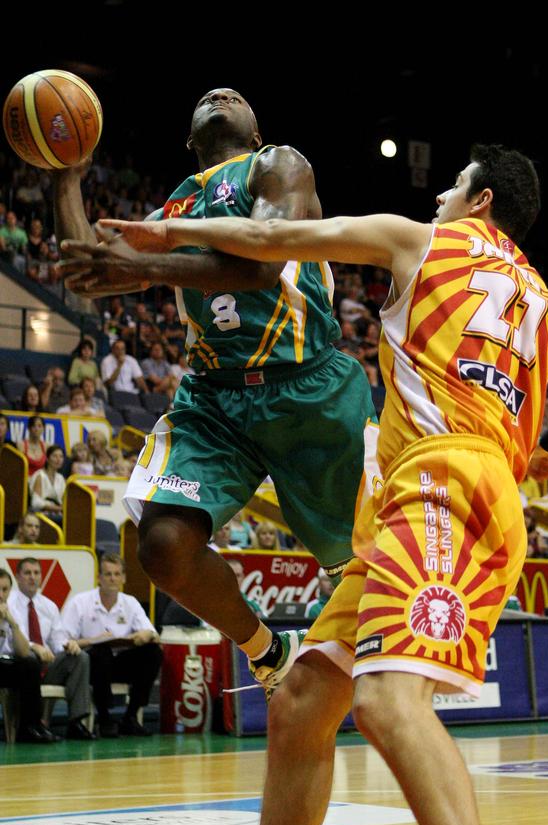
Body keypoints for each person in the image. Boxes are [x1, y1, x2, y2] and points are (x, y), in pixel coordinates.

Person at [93, 144, 548, 825]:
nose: (439, 195)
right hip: (452, 492)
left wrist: (168, 233)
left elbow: (269, 238)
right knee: (303, 703)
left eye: (453, 186)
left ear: (481, 202)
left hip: (439, 482)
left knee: (386, 702)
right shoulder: (547, 305)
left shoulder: (420, 239)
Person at [56, 87, 375, 696]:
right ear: (189, 141)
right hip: (215, 399)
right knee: (162, 547)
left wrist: (146, 263)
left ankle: (395, 672)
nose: (219, 93)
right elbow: (87, 276)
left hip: (310, 389)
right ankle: (268, 651)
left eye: (234, 96)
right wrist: (63, 178)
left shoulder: (278, 164)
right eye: (207, 96)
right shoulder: (175, 206)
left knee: (358, 561)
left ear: (255, 133)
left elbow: (259, 262)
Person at [61, 554, 162, 737]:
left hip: (120, 663)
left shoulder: (130, 603)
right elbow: (64, 640)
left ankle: (130, 716)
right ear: (99, 578)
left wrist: (145, 634)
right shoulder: (80, 602)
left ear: (123, 577)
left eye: (117, 574)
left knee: (153, 652)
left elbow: (152, 633)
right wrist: (93, 640)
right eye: (108, 574)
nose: (113, 578)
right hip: (90, 665)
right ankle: (105, 717)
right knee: (101, 652)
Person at [8, 558, 95, 739]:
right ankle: (31, 726)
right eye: (27, 573)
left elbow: (57, 639)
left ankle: (75, 722)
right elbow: (11, 640)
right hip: (22, 663)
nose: (33, 577)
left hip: (48, 665)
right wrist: (35, 646)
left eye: (36, 573)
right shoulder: (10, 602)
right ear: (17, 577)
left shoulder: (49, 606)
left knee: (80, 657)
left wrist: (67, 644)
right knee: (29, 659)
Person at [0, 568, 59, 743]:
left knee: (30, 664)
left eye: (5, 590)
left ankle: (30, 727)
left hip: (4, 664)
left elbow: (24, 651)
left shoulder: (12, 611)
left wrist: (12, 624)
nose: (1, 594)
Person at [29, 444, 66, 518]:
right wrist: (57, 508)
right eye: (55, 456)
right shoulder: (40, 475)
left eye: (61, 456)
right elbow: (35, 502)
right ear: (47, 459)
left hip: (58, 513)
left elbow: (63, 500)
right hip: (40, 514)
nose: (58, 459)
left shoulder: (60, 478)